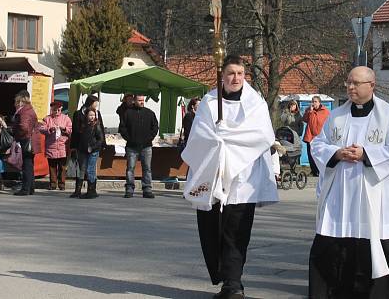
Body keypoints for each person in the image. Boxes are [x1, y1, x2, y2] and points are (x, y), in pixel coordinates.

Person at [182, 55, 278, 299]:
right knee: (211, 228)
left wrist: (228, 139)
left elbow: (262, 136)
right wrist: (216, 139)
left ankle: (234, 284)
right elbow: (199, 135)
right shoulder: (209, 101)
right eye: (231, 73)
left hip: (243, 178)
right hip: (212, 174)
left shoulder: (255, 103)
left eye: (240, 73)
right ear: (222, 76)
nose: (235, 78)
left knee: (236, 232)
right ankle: (223, 276)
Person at [309, 66, 389, 299]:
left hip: (375, 196)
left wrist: (366, 154)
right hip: (341, 196)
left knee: (374, 248)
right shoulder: (337, 115)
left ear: (371, 85)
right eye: (348, 83)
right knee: (333, 249)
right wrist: (337, 153)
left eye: (356, 83)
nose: (350, 87)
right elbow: (318, 144)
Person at [119, 94, 159, 198]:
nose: (142, 102)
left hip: (146, 146)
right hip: (132, 146)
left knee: (147, 168)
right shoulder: (128, 113)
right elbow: (122, 128)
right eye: (139, 100)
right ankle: (129, 189)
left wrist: (149, 138)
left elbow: (155, 127)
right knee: (130, 168)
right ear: (134, 101)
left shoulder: (149, 113)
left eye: (143, 100)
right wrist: (129, 138)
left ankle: (147, 189)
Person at [72, 108, 104, 199]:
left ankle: (91, 191)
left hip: (93, 151)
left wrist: (92, 147)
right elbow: (78, 137)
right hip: (82, 150)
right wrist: (76, 148)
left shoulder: (96, 125)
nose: (92, 117)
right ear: (86, 116)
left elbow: (100, 139)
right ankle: (77, 191)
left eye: (93, 115)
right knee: (81, 169)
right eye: (90, 115)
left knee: (90, 169)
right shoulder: (83, 125)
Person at [40, 101, 72, 190]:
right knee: (52, 167)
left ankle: (62, 184)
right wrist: (50, 129)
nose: (56, 111)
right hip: (51, 146)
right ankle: (53, 184)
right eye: (54, 110)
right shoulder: (47, 118)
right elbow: (41, 128)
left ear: (61, 109)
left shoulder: (66, 118)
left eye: (58, 110)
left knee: (62, 166)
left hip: (62, 146)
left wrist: (64, 129)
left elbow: (71, 129)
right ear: (51, 110)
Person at [12, 92, 38, 196]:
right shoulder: (29, 109)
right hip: (31, 140)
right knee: (30, 164)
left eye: (17, 102)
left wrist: (18, 136)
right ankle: (30, 188)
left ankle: (25, 189)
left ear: (21, 101)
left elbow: (24, 127)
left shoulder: (24, 111)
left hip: (26, 140)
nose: (16, 104)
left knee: (27, 165)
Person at [302, 96, 330, 177]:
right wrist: (309, 112)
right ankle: (314, 171)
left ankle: (320, 170)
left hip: (320, 136)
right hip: (310, 136)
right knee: (311, 154)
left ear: (319, 102)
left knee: (320, 154)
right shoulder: (309, 110)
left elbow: (329, 122)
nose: (314, 103)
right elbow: (305, 119)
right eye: (313, 101)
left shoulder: (325, 111)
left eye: (315, 101)